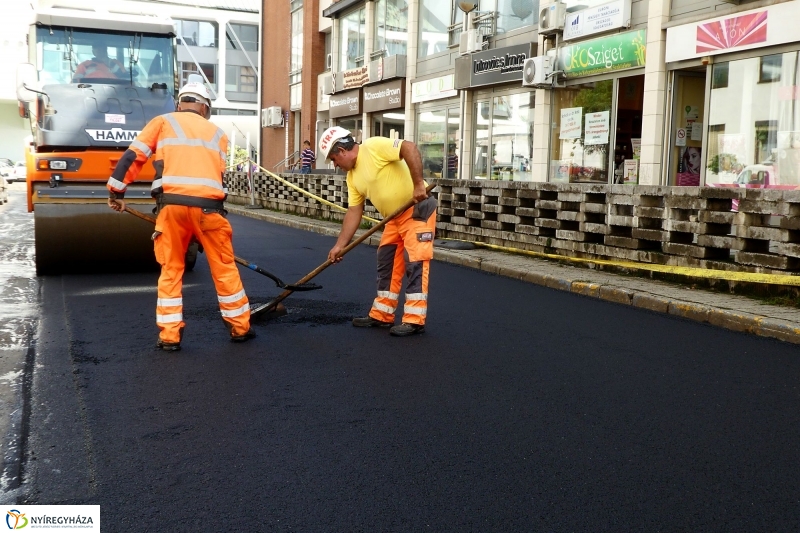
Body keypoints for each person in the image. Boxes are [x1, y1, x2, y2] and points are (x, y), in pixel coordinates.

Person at [106, 77, 255, 351]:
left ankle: (170, 336)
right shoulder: (217, 134)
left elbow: (132, 157)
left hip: (172, 209)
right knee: (224, 268)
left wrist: (116, 192)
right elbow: (216, 177)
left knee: (172, 269)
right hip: (210, 211)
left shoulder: (163, 122)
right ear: (205, 108)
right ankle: (240, 327)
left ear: (180, 104)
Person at [320, 127, 436, 337]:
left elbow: (408, 147)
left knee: (415, 261)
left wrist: (419, 184)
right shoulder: (352, 178)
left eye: (334, 159)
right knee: (387, 262)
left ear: (342, 151)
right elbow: (354, 211)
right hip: (393, 218)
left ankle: (414, 320)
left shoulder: (373, 147)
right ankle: (382, 314)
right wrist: (340, 246)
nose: (335, 165)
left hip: (417, 209)